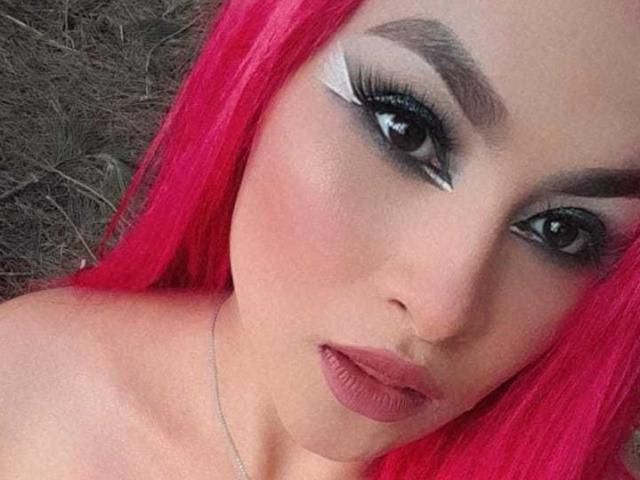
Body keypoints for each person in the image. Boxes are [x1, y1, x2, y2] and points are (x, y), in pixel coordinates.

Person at [1, 0, 639, 478]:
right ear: (266, 66)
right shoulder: (27, 389)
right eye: (405, 129)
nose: (441, 311)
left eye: (563, 231)